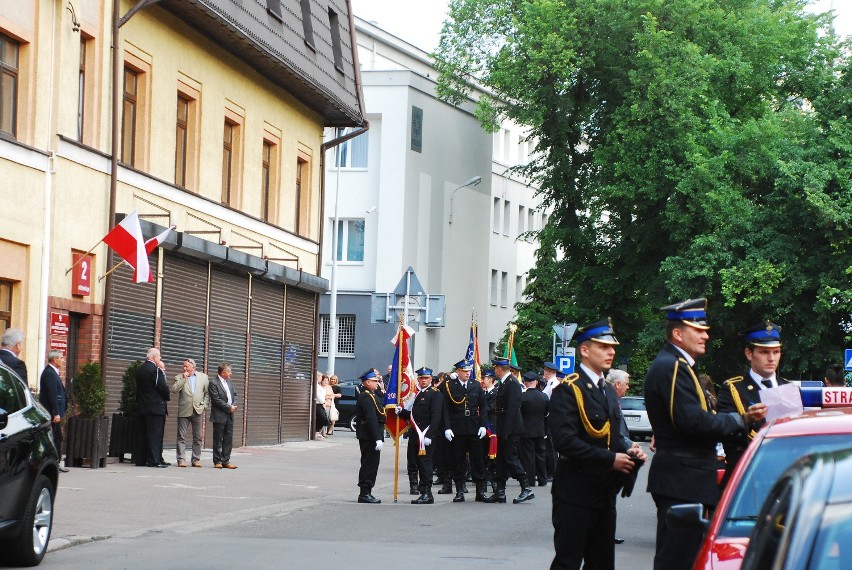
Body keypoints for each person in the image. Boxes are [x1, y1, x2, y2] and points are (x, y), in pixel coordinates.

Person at [644, 298, 765, 570]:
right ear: (678, 333)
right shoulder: (673, 367)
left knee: (684, 557)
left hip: (684, 478)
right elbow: (692, 422)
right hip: (682, 478)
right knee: (677, 560)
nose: (706, 335)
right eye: (698, 330)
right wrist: (741, 419)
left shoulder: (679, 365)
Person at [549, 319, 645, 569]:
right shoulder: (569, 389)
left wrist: (628, 451)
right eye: (603, 346)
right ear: (584, 350)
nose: (611, 351)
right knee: (568, 562)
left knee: (602, 562)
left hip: (604, 492)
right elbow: (565, 442)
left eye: (612, 347)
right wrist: (611, 459)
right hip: (575, 491)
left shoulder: (609, 391)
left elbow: (611, 437)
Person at [717, 321, 789, 485]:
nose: (771, 358)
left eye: (776, 352)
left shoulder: (789, 388)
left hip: (782, 479)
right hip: (744, 478)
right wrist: (746, 419)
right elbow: (723, 430)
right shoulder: (733, 388)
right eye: (764, 352)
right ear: (749, 353)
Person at [483, 356, 533, 504]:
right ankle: (500, 491)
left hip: (510, 428)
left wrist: (506, 430)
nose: (494, 372)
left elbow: (512, 409)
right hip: (504, 426)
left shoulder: (512, 384)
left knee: (511, 458)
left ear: (499, 369)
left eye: (495, 369)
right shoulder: (504, 383)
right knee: (501, 461)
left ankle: (526, 487)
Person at [441, 359, 489, 502]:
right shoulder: (450, 386)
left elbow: (483, 406)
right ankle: (460, 491)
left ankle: (480, 491)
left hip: (474, 427)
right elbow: (445, 409)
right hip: (457, 428)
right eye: (464, 371)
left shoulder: (476, 385)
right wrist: (447, 427)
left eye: (469, 371)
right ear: (458, 372)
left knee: (478, 460)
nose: (468, 373)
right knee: (458, 460)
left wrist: (483, 425)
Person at [397, 367, 443, 504]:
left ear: (431, 379)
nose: (423, 380)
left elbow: (436, 416)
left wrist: (430, 434)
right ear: (418, 379)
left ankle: (427, 493)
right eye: (421, 378)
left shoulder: (435, 394)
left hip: (426, 435)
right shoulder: (418, 394)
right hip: (417, 434)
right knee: (418, 462)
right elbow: (415, 415)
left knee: (425, 463)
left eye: (426, 378)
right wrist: (402, 412)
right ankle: (423, 492)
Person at [606, 367, 633, 546]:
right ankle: (605, 534)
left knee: (609, 501)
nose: (628, 388)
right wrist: (629, 446)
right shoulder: (609, 400)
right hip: (610, 457)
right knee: (607, 500)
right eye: (626, 384)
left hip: (616, 455)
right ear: (617, 384)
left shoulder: (613, 399)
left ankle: (607, 532)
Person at [171, 358, 209, 468]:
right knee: (181, 437)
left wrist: (204, 405)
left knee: (198, 437)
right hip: (184, 411)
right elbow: (174, 390)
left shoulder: (203, 377)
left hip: (198, 410)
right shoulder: (179, 377)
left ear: (193, 366)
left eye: (186, 366)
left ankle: (196, 460)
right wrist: (183, 379)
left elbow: (207, 394)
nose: (184, 368)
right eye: (183, 366)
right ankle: (181, 460)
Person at [136, 348, 171, 468]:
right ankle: (155, 460)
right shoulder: (155, 370)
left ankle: (141, 459)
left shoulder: (140, 369)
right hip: (156, 407)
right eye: (159, 357)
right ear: (154, 357)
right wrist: (162, 370)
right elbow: (163, 387)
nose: (160, 359)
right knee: (155, 435)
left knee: (143, 434)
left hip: (143, 406)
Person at [355, 369, 386, 503]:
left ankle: (368, 491)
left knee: (373, 463)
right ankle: (364, 492)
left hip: (371, 434)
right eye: (374, 381)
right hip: (369, 435)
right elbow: (371, 418)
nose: (377, 383)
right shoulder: (366, 396)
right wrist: (377, 438)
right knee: (369, 463)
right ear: (367, 382)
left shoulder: (371, 394)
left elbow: (380, 409)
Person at [39, 350, 69, 472]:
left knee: (57, 437)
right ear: (55, 359)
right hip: (52, 414)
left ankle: (56, 463)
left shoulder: (52, 372)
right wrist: (56, 413)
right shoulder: (50, 373)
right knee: (55, 438)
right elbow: (52, 395)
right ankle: (54, 464)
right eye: (61, 358)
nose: (63, 360)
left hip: (55, 413)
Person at [520, 371, 549, 487]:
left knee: (528, 456)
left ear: (525, 383)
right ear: (536, 382)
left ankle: (531, 480)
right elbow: (547, 413)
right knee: (541, 454)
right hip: (540, 430)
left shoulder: (523, 397)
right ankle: (543, 479)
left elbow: (520, 413)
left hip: (526, 431)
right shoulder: (544, 396)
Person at [209, 362, 238, 469]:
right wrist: (228, 407)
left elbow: (234, 394)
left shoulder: (229, 382)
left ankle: (226, 460)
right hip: (219, 415)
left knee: (228, 439)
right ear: (223, 372)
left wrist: (233, 405)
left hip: (229, 415)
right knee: (218, 439)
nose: (231, 373)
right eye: (229, 371)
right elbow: (216, 400)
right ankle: (217, 461)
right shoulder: (213, 383)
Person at [314, 372, 328, 440]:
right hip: (317, 403)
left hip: (320, 403)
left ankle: (318, 431)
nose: (321, 378)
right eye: (320, 377)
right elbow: (318, 395)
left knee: (323, 418)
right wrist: (323, 402)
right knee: (322, 417)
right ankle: (317, 431)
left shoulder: (318, 385)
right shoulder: (315, 385)